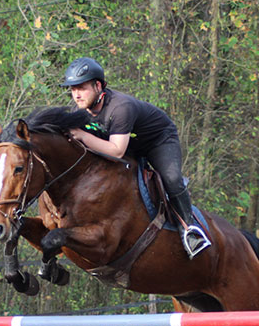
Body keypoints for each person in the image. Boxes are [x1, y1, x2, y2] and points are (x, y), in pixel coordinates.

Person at [62, 57, 210, 259]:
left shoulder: (120, 107)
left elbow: (116, 151)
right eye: (72, 89)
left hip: (158, 141)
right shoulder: (79, 111)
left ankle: (190, 228)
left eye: (81, 88)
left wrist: (83, 135)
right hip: (130, 144)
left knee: (172, 179)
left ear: (98, 85)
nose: (76, 95)